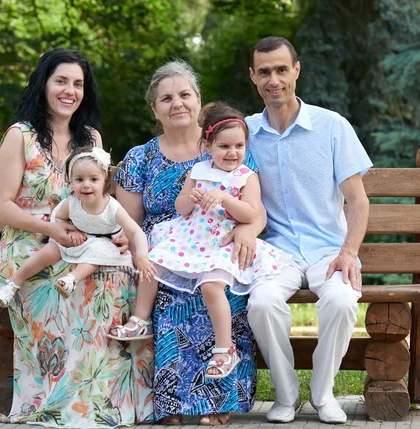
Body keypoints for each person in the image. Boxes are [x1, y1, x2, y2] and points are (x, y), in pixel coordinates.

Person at [0, 48, 153, 427]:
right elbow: (1, 207)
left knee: (120, 285)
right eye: (61, 81)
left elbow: (102, 199)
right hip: (33, 247)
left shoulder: (90, 137)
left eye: (78, 84)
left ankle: (112, 401)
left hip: (85, 245)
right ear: (43, 84)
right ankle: (68, 404)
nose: (69, 90)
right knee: (63, 289)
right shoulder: (21, 136)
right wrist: (52, 229)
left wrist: (117, 235)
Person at [115, 62, 257, 425]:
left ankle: (221, 403)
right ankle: (170, 404)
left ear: (198, 101)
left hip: (220, 243)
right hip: (165, 249)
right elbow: (129, 221)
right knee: (168, 292)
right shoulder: (140, 157)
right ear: (155, 109)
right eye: (166, 98)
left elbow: (257, 210)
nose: (176, 103)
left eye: (184, 94)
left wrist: (245, 230)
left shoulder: (226, 144)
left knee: (219, 289)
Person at [109, 103, 291, 381]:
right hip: (192, 236)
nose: (232, 153)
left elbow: (251, 213)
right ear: (208, 145)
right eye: (224, 147)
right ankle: (140, 320)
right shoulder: (199, 170)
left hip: (222, 241)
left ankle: (224, 348)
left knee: (211, 286)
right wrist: (189, 199)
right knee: (154, 263)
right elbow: (182, 207)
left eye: (239, 146)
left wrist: (228, 199)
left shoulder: (245, 176)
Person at [243, 37, 372, 424]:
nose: (274, 79)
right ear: (253, 77)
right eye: (264, 71)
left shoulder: (332, 126)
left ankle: (323, 391)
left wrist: (348, 253)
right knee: (262, 303)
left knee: (342, 301)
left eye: (282, 69)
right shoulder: (245, 133)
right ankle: (286, 395)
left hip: (329, 249)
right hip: (276, 251)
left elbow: (359, 201)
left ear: (296, 71)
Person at [0, 147, 157, 310]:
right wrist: (71, 230)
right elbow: (58, 218)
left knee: (96, 253)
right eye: (79, 180)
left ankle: (71, 279)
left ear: (105, 181)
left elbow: (136, 232)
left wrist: (142, 256)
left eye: (93, 180)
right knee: (49, 251)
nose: (86, 185)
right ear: (70, 182)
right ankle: (13, 284)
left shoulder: (112, 208)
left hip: (104, 242)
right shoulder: (71, 203)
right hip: (78, 239)